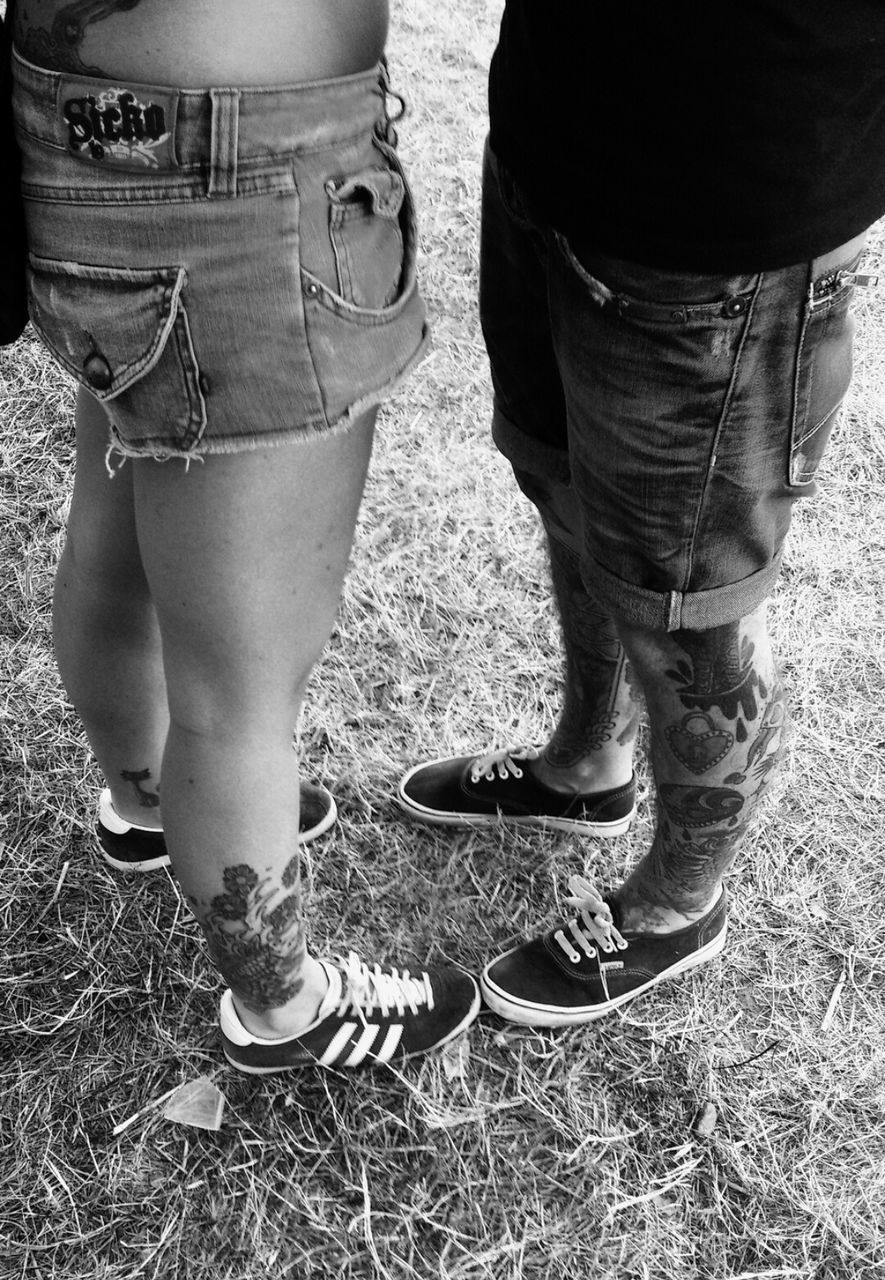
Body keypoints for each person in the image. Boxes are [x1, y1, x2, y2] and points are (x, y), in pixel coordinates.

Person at [10, 0, 479, 1072]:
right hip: (245, 164)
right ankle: (285, 1003)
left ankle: (143, 803)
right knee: (243, 692)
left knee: (117, 523)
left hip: (85, 126)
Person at [398, 2, 885, 1027]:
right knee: (561, 485)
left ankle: (678, 904)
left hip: (723, 214)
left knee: (690, 610)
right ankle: (584, 768)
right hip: (552, 140)